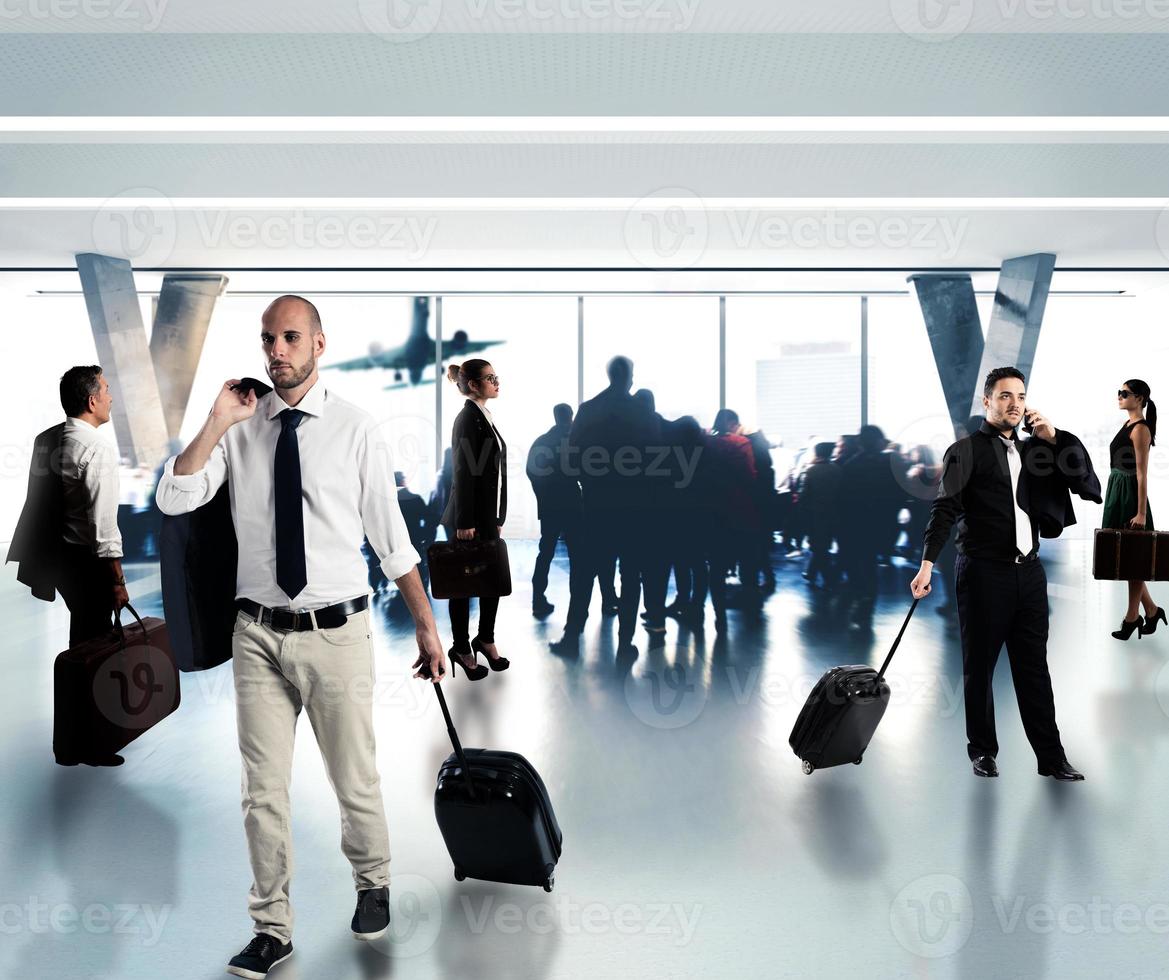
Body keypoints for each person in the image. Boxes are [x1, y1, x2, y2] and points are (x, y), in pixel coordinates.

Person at [154, 295, 447, 979]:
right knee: (262, 791)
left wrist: (428, 628)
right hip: (256, 631)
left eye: (290, 337)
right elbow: (176, 498)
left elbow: (391, 540)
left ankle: (372, 883)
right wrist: (216, 419)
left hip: (336, 632)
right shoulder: (242, 428)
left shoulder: (354, 429)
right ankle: (272, 928)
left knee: (354, 777)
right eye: (267, 339)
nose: (276, 351)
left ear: (319, 343)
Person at [910, 366, 1086, 782]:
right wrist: (926, 564)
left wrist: (1054, 437)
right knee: (980, 666)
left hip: (1030, 573)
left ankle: (1051, 757)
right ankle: (983, 750)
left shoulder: (1034, 451)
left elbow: (1079, 479)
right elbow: (944, 510)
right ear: (987, 401)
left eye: (1021, 396)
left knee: (1034, 669)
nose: (1015, 404)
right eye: (1005, 396)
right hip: (983, 573)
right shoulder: (965, 451)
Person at [7, 365, 130, 768]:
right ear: (92, 400)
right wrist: (117, 582)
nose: (111, 397)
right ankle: (89, 744)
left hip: (61, 562)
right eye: (107, 390)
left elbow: (39, 505)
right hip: (91, 565)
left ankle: (69, 745)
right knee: (94, 657)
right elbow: (104, 526)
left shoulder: (48, 440)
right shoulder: (97, 448)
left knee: (81, 650)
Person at [550, 355, 659, 660]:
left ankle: (572, 637)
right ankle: (625, 644)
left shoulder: (588, 410)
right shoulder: (642, 412)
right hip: (635, 508)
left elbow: (571, 462)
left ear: (610, 374)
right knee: (631, 576)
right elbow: (656, 461)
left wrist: (592, 482)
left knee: (585, 574)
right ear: (629, 376)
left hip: (597, 506)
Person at [441, 359, 510, 678]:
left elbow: (493, 475)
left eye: (496, 377)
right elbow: (463, 472)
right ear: (472, 385)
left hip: (484, 517)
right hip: (467, 519)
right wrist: (465, 522)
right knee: (463, 584)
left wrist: (497, 516)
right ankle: (462, 648)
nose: (497, 382)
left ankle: (485, 639)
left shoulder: (484, 416)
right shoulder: (467, 418)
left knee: (491, 580)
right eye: (490, 378)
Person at [1102, 379, 1165, 639]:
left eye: (1124, 393)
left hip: (1129, 494)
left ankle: (1132, 618)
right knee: (1129, 557)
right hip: (1117, 490)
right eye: (1119, 392)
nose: (1119, 396)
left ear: (1139, 398)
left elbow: (1141, 475)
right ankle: (1151, 610)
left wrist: (1140, 513)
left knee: (1133, 558)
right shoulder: (1128, 424)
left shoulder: (1141, 429)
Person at [526, 403, 582, 619]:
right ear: (570, 417)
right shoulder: (573, 442)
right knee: (577, 555)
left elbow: (531, 471)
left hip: (550, 506)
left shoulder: (542, 442)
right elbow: (583, 471)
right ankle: (577, 602)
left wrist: (543, 495)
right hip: (572, 505)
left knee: (545, 552)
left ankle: (537, 599)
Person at [797, 441, 842, 590]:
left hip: (815, 514)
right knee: (822, 545)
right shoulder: (837, 469)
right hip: (834, 513)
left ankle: (828, 578)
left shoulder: (811, 471)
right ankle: (812, 573)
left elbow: (804, 495)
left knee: (818, 547)